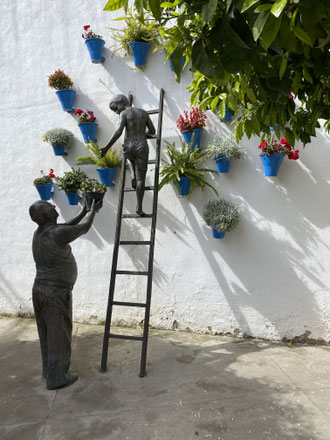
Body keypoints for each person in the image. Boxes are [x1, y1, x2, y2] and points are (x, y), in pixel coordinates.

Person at [29, 199, 102, 389]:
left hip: (41, 290)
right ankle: (57, 377)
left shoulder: (42, 232)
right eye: (50, 207)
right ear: (46, 215)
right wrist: (92, 211)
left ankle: (50, 370)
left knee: (47, 333)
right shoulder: (57, 233)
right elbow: (83, 228)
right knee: (59, 335)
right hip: (54, 293)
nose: (54, 207)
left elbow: (67, 226)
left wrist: (84, 209)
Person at [99, 94, 156, 216]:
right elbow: (152, 131)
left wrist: (106, 148)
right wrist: (143, 133)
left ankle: (132, 172)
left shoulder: (123, 114)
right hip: (141, 145)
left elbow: (119, 131)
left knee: (128, 156)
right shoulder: (143, 113)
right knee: (141, 180)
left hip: (129, 145)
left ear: (121, 103)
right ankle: (139, 207)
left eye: (115, 109)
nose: (116, 112)